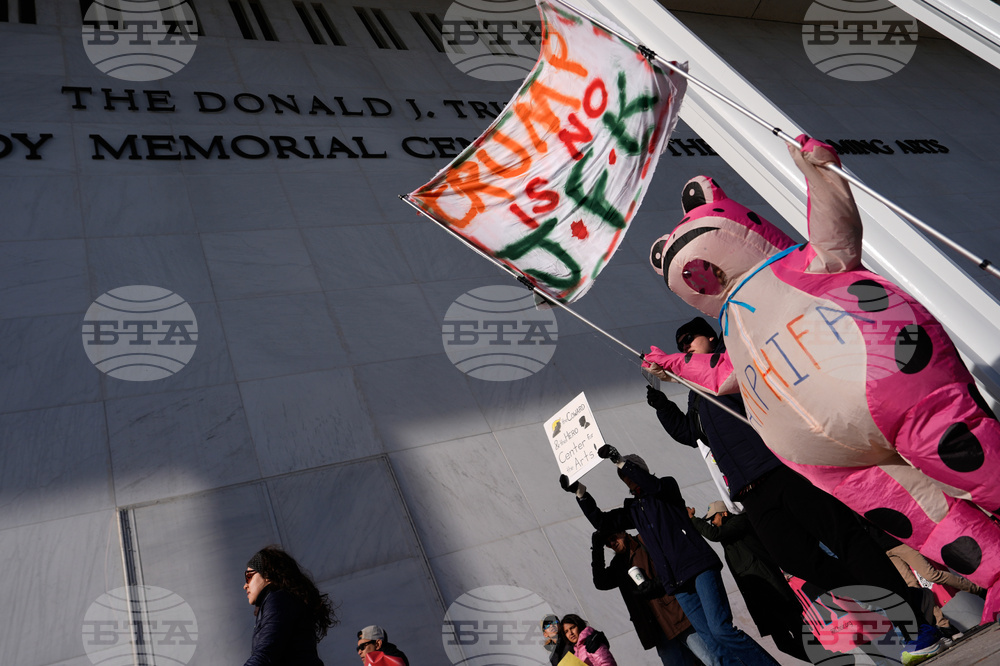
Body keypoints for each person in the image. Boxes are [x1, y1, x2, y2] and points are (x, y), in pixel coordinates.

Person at [645, 318, 941, 655]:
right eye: (680, 346)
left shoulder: (733, 361)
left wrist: (683, 366)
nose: (685, 347)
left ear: (711, 336)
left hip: (784, 470)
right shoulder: (698, 393)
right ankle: (900, 598)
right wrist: (661, 403)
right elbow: (689, 432)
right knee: (796, 559)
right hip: (749, 491)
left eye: (690, 340)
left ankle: (914, 625)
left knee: (845, 540)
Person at [559, 447, 779, 666]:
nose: (626, 478)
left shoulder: (666, 488)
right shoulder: (635, 509)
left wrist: (620, 461)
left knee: (721, 630)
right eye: (623, 476)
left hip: (699, 567)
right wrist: (580, 492)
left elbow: (653, 486)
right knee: (713, 645)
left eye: (629, 472)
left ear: (640, 470)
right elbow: (603, 522)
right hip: (676, 582)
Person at [690, 501, 812, 663]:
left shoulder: (739, 522)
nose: (712, 522)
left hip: (774, 592)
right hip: (761, 598)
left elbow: (714, 534)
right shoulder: (729, 538)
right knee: (783, 644)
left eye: (713, 518)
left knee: (802, 635)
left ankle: (831, 660)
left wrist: (693, 519)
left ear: (724, 513)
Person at [592, 529, 715, 665]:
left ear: (622, 532)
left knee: (711, 658)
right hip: (655, 627)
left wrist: (656, 584)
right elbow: (601, 582)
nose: (612, 543)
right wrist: (597, 549)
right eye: (607, 544)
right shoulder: (618, 564)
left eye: (614, 538)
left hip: (677, 616)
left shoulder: (644, 542)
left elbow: (675, 566)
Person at [243, 546, 337, 666]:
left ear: (267, 575)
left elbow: (266, 652)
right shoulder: (279, 600)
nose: (245, 585)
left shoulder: (278, 600)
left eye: (249, 577)